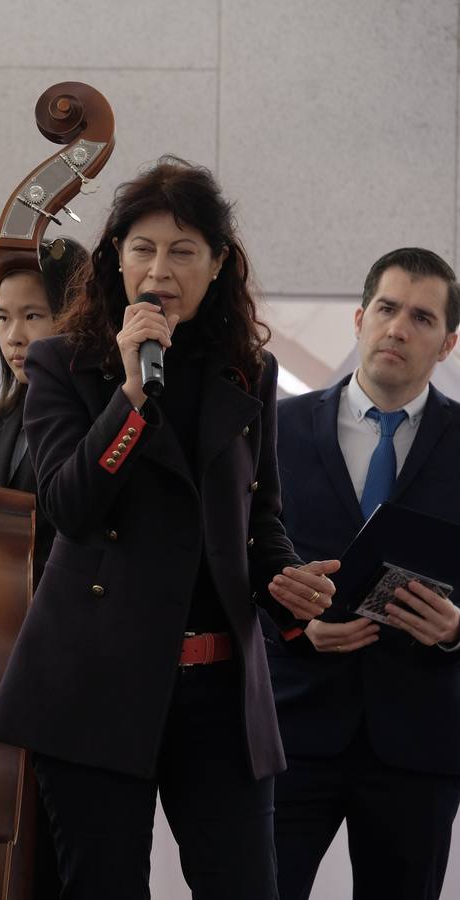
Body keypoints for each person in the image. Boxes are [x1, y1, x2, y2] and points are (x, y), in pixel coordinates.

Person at [0, 157, 339, 898]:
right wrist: (132, 396)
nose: (160, 268)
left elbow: (260, 518)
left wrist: (286, 584)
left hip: (220, 689)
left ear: (218, 265)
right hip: (95, 684)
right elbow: (71, 508)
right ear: (116, 259)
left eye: (183, 251)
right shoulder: (62, 364)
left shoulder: (249, 371)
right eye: (142, 248)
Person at [267, 247, 460, 900]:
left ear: (448, 343)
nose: (398, 328)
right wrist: (295, 631)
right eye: (386, 307)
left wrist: (458, 629)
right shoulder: (275, 428)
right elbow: (231, 564)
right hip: (292, 731)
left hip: (420, 744)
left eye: (422, 318)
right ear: (359, 318)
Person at [0, 238, 84, 900]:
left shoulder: (92, 419)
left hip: (65, 659)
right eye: (3, 318)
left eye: (33, 316)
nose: (13, 336)